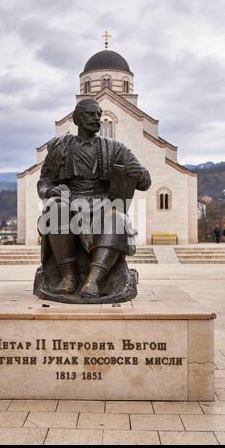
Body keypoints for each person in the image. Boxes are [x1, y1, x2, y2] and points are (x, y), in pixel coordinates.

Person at [35, 98, 151, 301]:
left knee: (117, 217)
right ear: (77, 119)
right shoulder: (60, 147)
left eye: (99, 114)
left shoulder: (115, 148)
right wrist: (51, 191)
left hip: (103, 202)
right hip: (70, 199)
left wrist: (139, 173)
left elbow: (145, 181)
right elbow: (44, 182)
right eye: (91, 114)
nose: (97, 118)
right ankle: (68, 276)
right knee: (55, 209)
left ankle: (93, 280)